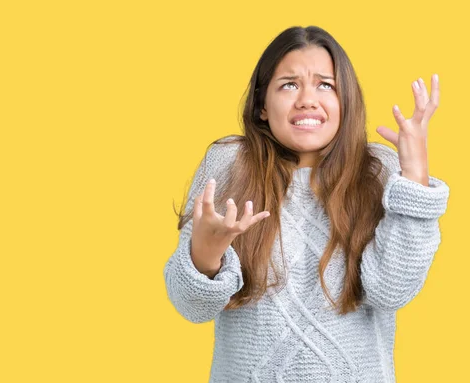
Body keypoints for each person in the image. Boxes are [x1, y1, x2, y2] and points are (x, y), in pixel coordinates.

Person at [163, 25, 449, 383]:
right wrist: (204, 256)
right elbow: (191, 306)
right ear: (262, 105)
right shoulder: (229, 165)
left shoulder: (378, 172)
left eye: (325, 85)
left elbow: (392, 290)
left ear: (346, 101)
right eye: (289, 84)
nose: (307, 99)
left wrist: (416, 177)